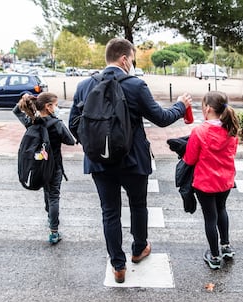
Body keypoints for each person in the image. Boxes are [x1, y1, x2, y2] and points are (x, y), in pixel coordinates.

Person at [68, 38, 192, 283]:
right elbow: (161, 118)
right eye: (132, 59)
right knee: (138, 205)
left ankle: (118, 265)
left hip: (99, 163)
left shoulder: (84, 85)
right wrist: (180, 105)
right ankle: (138, 249)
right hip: (133, 160)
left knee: (109, 212)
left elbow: (74, 123)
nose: (132, 63)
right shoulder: (136, 85)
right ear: (124, 59)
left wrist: (94, 146)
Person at [183, 91, 239, 270]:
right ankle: (226, 246)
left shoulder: (200, 131)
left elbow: (190, 159)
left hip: (205, 182)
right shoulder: (231, 129)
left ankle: (214, 256)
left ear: (207, 109)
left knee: (210, 217)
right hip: (225, 181)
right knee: (222, 209)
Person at [13, 92, 75, 245]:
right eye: (56, 105)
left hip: (39, 166)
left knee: (47, 192)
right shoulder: (56, 123)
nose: (57, 107)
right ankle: (54, 231)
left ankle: (50, 217)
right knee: (54, 196)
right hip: (54, 167)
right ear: (48, 107)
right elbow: (70, 141)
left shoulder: (32, 121)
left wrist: (25, 98)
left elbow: (16, 111)